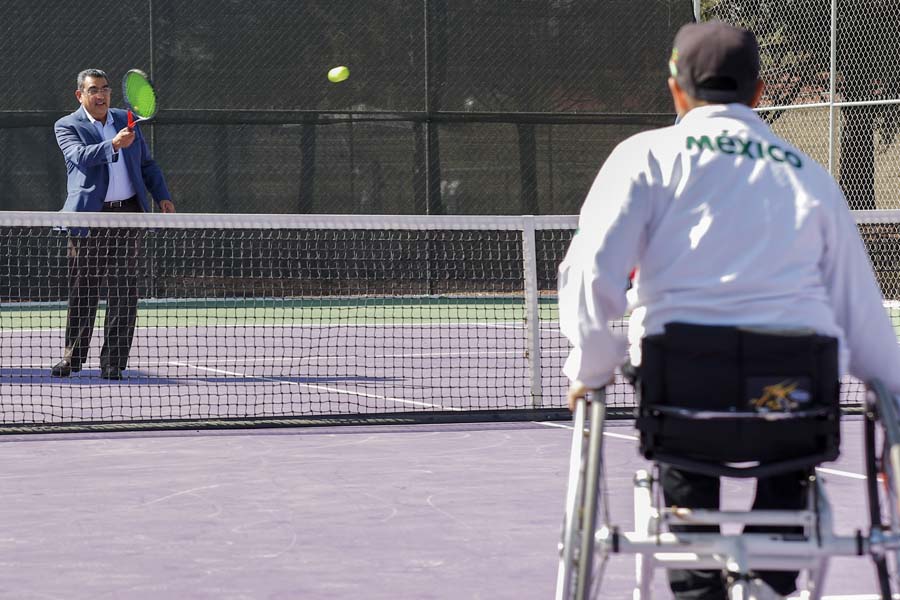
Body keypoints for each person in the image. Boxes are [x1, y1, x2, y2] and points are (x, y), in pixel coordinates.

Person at [558, 21, 900, 600]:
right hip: (794, 394)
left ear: (676, 89)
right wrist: (892, 398)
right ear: (759, 92)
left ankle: (697, 584)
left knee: (688, 429)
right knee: (788, 434)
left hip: (682, 391)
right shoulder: (808, 174)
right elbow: (860, 310)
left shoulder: (643, 157)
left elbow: (590, 273)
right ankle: (771, 580)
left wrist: (590, 367)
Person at [50, 68, 175, 381]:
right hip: (89, 220)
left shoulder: (125, 119)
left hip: (127, 216)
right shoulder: (67, 125)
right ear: (80, 95)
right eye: (94, 89)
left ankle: (113, 363)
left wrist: (162, 196)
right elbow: (78, 157)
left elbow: (147, 164)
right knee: (84, 291)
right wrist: (113, 145)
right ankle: (72, 358)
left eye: (105, 88)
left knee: (123, 292)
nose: (101, 94)